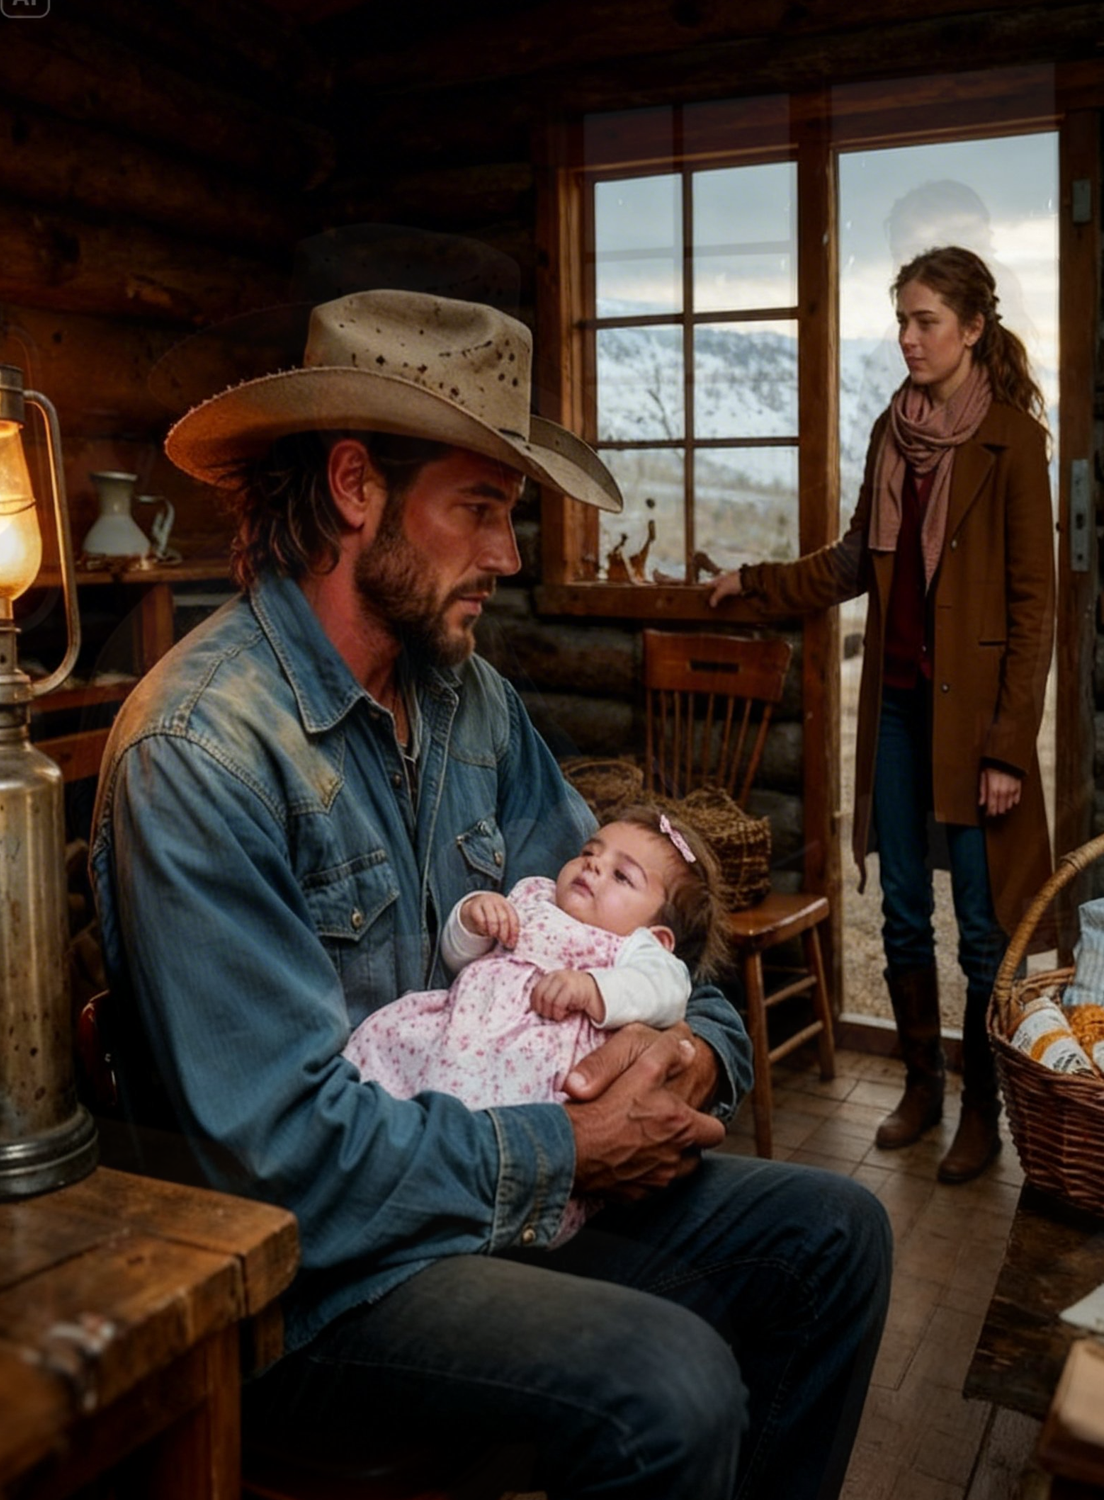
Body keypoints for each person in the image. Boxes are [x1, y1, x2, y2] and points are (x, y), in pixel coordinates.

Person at [90, 287, 892, 1499]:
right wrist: (567, 1148)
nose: (510, 558)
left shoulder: (471, 704)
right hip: (326, 1278)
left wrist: (693, 1058)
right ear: (357, 488)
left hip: (501, 1190)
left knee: (839, 1238)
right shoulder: (200, 751)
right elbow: (283, 1161)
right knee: (668, 1386)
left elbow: (637, 941)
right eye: (480, 509)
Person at [710, 245, 1054, 1185]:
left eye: (925, 321)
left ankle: (981, 1112)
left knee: (982, 929)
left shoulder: (1015, 444)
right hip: (898, 713)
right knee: (904, 911)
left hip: (976, 729)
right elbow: (855, 560)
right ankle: (921, 1091)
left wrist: (1009, 750)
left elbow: (1035, 611)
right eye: (900, 320)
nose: (907, 338)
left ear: (973, 328)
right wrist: (756, 581)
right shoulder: (889, 432)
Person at [345, 804, 729, 1242]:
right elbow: (462, 958)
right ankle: (382, 1153)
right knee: (387, 1050)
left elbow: (668, 989)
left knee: (498, 1111)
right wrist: (474, 917)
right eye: (591, 851)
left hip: (531, 1059)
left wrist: (593, 988)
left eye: (622, 876)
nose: (593, 866)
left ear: (660, 937)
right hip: (462, 1024)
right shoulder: (534, 896)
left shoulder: (635, 950)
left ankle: (479, 1206)